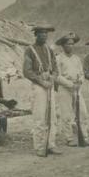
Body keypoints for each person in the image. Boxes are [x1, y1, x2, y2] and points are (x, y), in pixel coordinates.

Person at [23, 24, 60, 157]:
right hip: (38, 86)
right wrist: (41, 81)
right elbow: (26, 71)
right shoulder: (30, 50)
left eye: (45, 33)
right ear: (36, 35)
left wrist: (52, 78)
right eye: (41, 33)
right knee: (40, 117)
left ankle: (51, 144)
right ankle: (40, 146)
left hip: (49, 84)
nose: (43, 35)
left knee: (52, 116)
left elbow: (56, 68)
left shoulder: (49, 50)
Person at [55, 32, 89, 147]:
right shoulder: (58, 58)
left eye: (72, 44)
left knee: (83, 112)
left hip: (77, 89)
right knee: (66, 114)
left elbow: (81, 73)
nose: (70, 46)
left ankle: (84, 137)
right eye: (67, 44)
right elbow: (57, 76)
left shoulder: (76, 59)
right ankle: (69, 138)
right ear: (62, 45)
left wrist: (80, 81)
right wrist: (70, 84)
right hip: (65, 88)